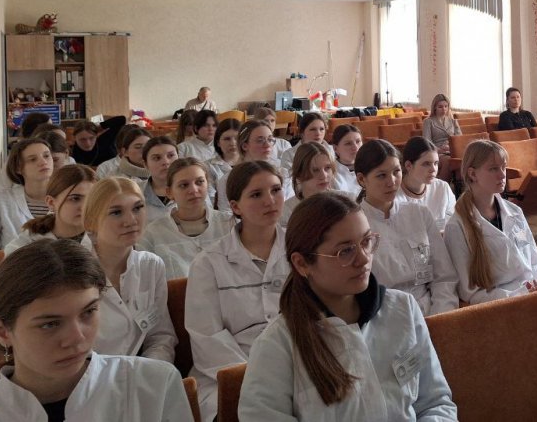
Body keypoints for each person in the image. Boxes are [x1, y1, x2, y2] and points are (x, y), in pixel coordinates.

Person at [238, 193, 457, 420]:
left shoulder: (403, 309)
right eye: (345, 251)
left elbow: (436, 403)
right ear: (302, 263)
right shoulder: (277, 345)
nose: (363, 259)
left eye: (366, 242)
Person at [0, 239, 193, 421]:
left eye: (88, 312)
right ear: (2, 332)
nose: (77, 338)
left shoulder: (154, 386)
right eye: (50, 324)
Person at [186, 160, 288, 422]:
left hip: (296, 360)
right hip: (231, 370)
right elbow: (207, 336)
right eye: (256, 194)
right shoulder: (209, 262)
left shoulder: (301, 248)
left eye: (276, 190)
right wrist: (258, 374)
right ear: (235, 206)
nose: (270, 201)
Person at [444, 140, 537, 304]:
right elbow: (470, 293)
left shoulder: (515, 212)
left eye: (503, 167)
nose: (502, 175)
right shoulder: (456, 227)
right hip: (502, 304)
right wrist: (520, 295)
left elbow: (535, 262)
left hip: (533, 293)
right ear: (472, 174)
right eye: (493, 169)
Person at [355, 140, 458, 316]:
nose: (392, 182)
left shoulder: (419, 214)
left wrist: (442, 314)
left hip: (430, 309)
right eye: (381, 175)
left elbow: (444, 276)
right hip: (384, 314)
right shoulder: (355, 225)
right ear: (362, 179)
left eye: (396, 172)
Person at [84, 176, 176, 364]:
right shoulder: (71, 272)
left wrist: (148, 371)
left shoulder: (151, 265)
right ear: (91, 223)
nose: (131, 221)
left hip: (138, 372)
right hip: (87, 375)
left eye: (137, 208)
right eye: (116, 212)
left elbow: (160, 337)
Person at [138, 158, 233, 279]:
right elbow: (146, 281)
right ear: (169, 192)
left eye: (199, 182)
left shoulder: (229, 224)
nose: (193, 190)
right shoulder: (152, 234)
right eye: (183, 185)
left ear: (207, 184)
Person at [4, 164, 97, 255]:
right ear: (51, 202)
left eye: (91, 199)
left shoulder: (100, 238)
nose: (84, 207)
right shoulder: (28, 242)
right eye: (75, 198)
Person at [0, 138, 54, 250]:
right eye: (33, 159)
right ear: (18, 168)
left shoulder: (67, 198)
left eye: (46, 156)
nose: (43, 162)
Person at [216, 119, 277, 213]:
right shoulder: (228, 180)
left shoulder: (281, 174)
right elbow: (226, 214)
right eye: (260, 140)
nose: (267, 145)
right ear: (245, 146)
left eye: (270, 139)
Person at [398, 137, 456, 233]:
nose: (433, 169)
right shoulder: (394, 196)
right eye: (426, 164)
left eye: (436, 163)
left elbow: (453, 225)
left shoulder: (442, 188)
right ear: (408, 165)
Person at [282, 142, 339, 225]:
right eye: (315, 170)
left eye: (327, 168)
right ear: (299, 175)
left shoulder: (345, 201)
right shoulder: (286, 211)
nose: (324, 176)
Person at [279, 112, 332, 189]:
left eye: (322, 129)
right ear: (302, 132)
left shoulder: (331, 150)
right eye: (312, 129)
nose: (318, 133)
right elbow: (289, 184)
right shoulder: (289, 155)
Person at [139, 136, 180, 222]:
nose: (166, 162)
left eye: (171, 155)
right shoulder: (135, 191)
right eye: (157, 158)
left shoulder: (194, 188)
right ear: (145, 164)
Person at [208, 117, 241, 193]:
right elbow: (211, 196)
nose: (233, 143)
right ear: (218, 142)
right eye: (227, 139)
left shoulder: (252, 163)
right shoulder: (209, 167)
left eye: (237, 138)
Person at [331, 124, 364, 196]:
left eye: (358, 141)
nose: (355, 147)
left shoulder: (371, 167)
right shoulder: (331, 173)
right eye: (348, 143)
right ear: (335, 149)